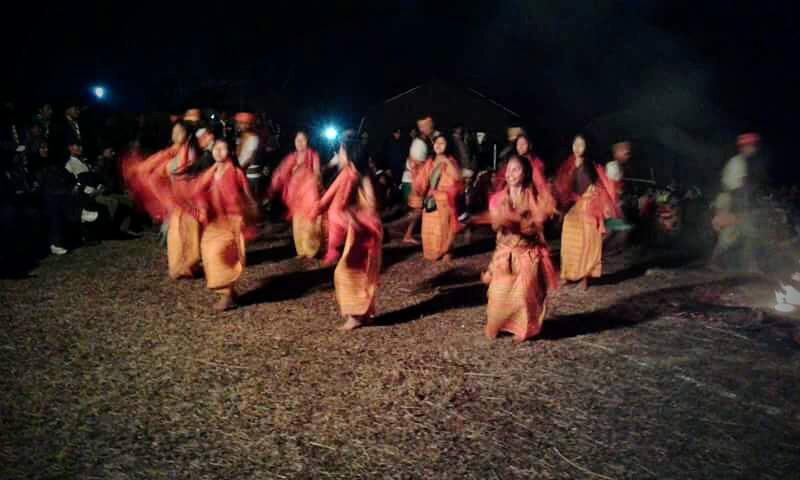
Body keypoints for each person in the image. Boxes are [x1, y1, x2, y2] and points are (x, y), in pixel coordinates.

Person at [482, 154, 558, 341]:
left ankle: (522, 329)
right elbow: (496, 227)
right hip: (505, 253)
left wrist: (525, 224)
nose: (510, 174)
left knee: (525, 295)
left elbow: (538, 225)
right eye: (508, 169)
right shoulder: (498, 199)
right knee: (498, 294)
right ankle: (497, 325)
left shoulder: (535, 199)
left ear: (525, 173)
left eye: (515, 169)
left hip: (526, 253)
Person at [312, 138, 383, 331]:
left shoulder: (357, 175)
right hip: (360, 229)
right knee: (359, 271)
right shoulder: (350, 173)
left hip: (366, 229)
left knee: (347, 272)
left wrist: (351, 214)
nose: (338, 156)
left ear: (350, 155)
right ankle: (364, 313)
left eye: (341, 152)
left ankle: (356, 316)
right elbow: (328, 200)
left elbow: (371, 205)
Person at [193, 139, 259, 311]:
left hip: (233, 221)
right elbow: (198, 191)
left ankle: (227, 294)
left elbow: (248, 194)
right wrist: (201, 206)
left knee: (220, 254)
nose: (219, 151)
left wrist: (252, 212)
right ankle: (230, 292)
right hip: (216, 221)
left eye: (223, 148)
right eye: (216, 148)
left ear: (229, 152)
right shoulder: (210, 173)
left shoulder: (236, 172)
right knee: (208, 251)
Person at [554, 134, 619, 290]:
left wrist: (604, 206)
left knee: (589, 238)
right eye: (575, 144)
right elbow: (563, 186)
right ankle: (567, 273)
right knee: (569, 229)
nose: (577, 148)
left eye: (581, 145)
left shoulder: (591, 164)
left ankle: (586, 276)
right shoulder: (568, 164)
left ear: (586, 147)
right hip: (578, 203)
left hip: (591, 202)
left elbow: (600, 184)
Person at [709, 133, 767, 273]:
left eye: (754, 145)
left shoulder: (743, 162)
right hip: (728, 202)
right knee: (732, 233)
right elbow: (735, 190)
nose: (753, 148)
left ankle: (749, 265)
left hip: (733, 201)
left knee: (746, 232)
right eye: (751, 145)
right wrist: (739, 211)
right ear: (744, 147)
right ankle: (717, 261)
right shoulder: (737, 163)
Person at [269, 129, 323, 259]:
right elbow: (281, 173)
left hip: (309, 193)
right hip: (296, 193)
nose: (299, 143)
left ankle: (311, 250)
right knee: (298, 222)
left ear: (307, 141)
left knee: (309, 221)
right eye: (297, 140)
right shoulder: (292, 157)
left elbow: (317, 172)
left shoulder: (313, 154)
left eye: (302, 140)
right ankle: (301, 251)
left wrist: (316, 183)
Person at [412, 134, 464, 263]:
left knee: (445, 228)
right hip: (432, 199)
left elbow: (457, 178)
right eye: (436, 143)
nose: (439, 145)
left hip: (445, 200)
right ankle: (433, 252)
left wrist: (445, 161)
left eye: (442, 143)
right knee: (430, 228)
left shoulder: (451, 161)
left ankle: (447, 252)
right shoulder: (430, 161)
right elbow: (422, 180)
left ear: (447, 146)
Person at [400, 137, 428, 244]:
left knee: (414, 210)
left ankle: (407, 233)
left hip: (407, 182)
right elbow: (416, 171)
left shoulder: (413, 158)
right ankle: (407, 234)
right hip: (410, 183)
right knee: (416, 210)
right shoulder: (416, 160)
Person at [234, 112, 263, 197]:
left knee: (250, 201)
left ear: (248, 124)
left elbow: (250, 159)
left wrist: (238, 171)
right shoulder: (240, 137)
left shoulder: (253, 137)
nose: (238, 125)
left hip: (250, 175)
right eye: (238, 123)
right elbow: (238, 154)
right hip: (242, 173)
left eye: (241, 123)